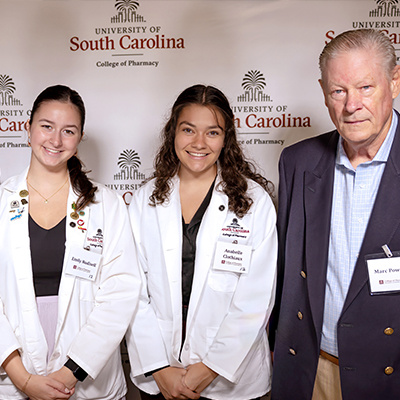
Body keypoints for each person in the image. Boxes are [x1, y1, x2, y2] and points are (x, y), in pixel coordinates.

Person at [270, 29, 400, 399]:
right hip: (314, 369)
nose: (351, 105)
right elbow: (286, 274)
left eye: (365, 87)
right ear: (323, 91)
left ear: (394, 81)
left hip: (390, 376)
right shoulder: (298, 162)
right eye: (338, 91)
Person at [126, 84, 277, 400]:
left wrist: (210, 367)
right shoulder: (144, 201)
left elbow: (256, 297)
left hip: (229, 377)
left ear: (226, 138)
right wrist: (158, 367)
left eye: (212, 132)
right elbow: (132, 289)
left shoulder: (254, 202)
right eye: (188, 130)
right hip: (162, 374)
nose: (198, 143)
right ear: (173, 133)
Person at [0, 85, 141, 400]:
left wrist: (71, 371)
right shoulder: (1, 200)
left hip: (88, 379)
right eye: (46, 127)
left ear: (78, 140)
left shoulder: (106, 204)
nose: (55, 139)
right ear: (28, 129)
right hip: (13, 374)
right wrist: (22, 379)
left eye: (68, 131)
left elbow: (121, 291)